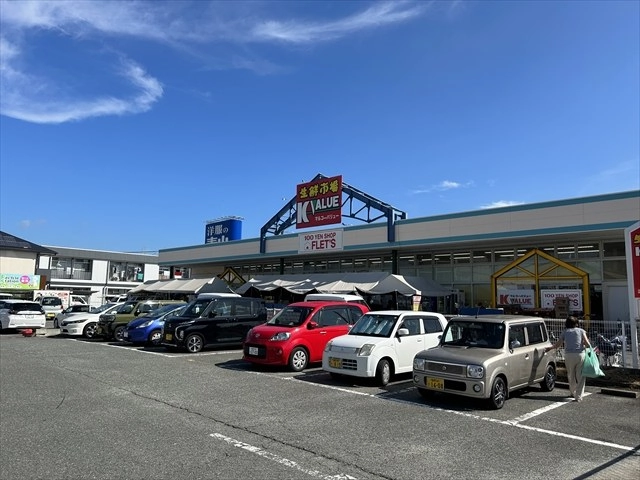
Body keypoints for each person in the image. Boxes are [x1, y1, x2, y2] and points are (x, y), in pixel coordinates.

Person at [545, 316, 592, 402]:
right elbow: (587, 343)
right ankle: (579, 396)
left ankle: (572, 392)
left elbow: (558, 345)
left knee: (571, 374)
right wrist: (585, 347)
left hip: (569, 355)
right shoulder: (581, 331)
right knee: (580, 376)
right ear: (576, 323)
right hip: (580, 354)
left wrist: (550, 348)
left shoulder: (565, 332)